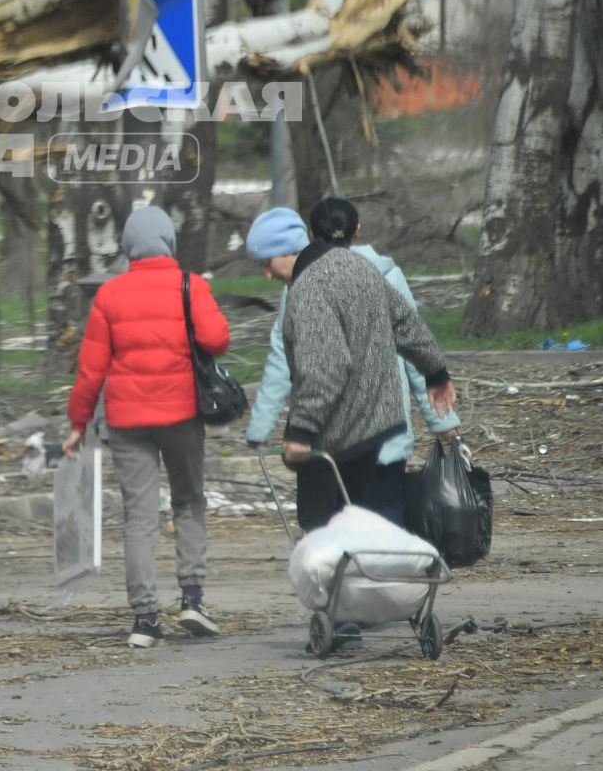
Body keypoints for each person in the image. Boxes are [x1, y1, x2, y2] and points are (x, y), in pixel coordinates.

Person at [62, 205, 231, 648]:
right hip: (181, 414)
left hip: (126, 421)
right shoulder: (189, 286)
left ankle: (145, 620)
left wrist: (78, 424)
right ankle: (192, 599)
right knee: (189, 502)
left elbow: (90, 372)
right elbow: (218, 340)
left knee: (139, 515)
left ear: (128, 247)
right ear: (170, 242)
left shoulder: (110, 296)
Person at [246, 201, 463, 531]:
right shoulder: (357, 266)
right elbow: (406, 323)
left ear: (289, 249)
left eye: (267, 262)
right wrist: (436, 373)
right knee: (365, 522)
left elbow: (325, 368)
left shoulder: (308, 290)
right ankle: (369, 575)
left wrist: (302, 431)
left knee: (320, 528)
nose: (265, 274)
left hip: (335, 431)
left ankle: (338, 580)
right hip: (379, 423)